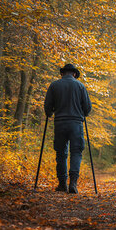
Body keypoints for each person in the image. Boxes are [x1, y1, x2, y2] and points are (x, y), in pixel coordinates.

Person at [44, 63, 92, 193]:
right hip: (76, 124)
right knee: (76, 152)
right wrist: (83, 113)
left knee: (61, 153)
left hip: (60, 123)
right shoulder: (80, 86)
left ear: (63, 73)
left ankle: (62, 184)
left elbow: (47, 106)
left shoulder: (54, 85)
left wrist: (49, 113)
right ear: (74, 74)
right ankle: (73, 184)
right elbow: (87, 108)